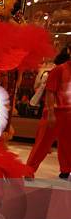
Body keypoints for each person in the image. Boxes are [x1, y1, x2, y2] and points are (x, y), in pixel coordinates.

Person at [26, 45, 71, 179]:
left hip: (69, 114)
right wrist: (51, 112)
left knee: (67, 143)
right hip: (56, 112)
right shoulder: (59, 70)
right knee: (42, 144)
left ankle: (65, 169)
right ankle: (29, 170)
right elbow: (50, 92)